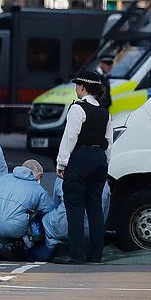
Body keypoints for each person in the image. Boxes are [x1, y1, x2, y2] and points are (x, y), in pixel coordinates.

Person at [54, 70, 113, 264]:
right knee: (95, 207)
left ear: (82, 87)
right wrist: (105, 163)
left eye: (77, 85)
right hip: (99, 160)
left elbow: (70, 137)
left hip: (80, 158)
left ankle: (76, 253)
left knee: (75, 206)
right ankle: (96, 254)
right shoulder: (105, 112)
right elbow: (108, 142)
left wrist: (62, 162)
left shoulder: (78, 109)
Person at [0, 159, 54, 260]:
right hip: (16, 229)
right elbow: (49, 211)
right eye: (40, 177)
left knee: (2, 232)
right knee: (38, 217)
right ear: (34, 174)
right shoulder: (38, 189)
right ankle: (23, 248)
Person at [40, 176, 111, 261]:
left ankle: (54, 247)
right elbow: (104, 212)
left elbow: (55, 204)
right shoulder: (104, 183)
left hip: (65, 225)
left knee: (46, 221)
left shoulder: (63, 177)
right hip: (92, 229)